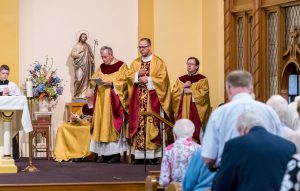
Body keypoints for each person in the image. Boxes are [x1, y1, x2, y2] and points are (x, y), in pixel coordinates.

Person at [201, 70, 282, 168]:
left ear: (228, 88)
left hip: (230, 173)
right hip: (264, 172)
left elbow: (208, 157)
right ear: (251, 88)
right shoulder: (269, 111)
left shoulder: (219, 114)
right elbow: (280, 145)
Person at [213, 111, 296, 191]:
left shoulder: (234, 145)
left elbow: (221, 185)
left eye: (239, 131)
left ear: (244, 128)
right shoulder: (289, 146)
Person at [128, 38, 172, 164]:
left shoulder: (158, 62)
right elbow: (128, 77)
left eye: (143, 47)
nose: (141, 50)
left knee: (152, 125)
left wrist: (149, 80)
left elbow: (163, 81)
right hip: (138, 100)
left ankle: (153, 156)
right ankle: (139, 156)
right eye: (139, 47)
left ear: (149, 46)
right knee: (138, 123)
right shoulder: (135, 63)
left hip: (152, 101)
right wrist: (136, 75)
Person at [90, 46, 129, 163]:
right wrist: (95, 82)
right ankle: (104, 154)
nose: (104, 59)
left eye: (105, 57)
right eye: (102, 57)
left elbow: (126, 82)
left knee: (111, 126)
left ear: (111, 55)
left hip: (113, 103)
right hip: (101, 102)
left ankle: (115, 155)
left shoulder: (122, 66)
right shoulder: (101, 67)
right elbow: (94, 79)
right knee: (102, 126)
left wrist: (112, 83)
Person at [172, 57, 211, 143]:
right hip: (182, 111)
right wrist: (183, 87)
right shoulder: (180, 80)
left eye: (192, 64)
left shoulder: (202, 79)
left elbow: (204, 95)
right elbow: (174, 93)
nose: (189, 66)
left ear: (197, 66)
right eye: (188, 64)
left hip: (195, 112)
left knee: (195, 130)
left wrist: (191, 91)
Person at [54, 89, 94, 162]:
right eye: (87, 97)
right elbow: (78, 115)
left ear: (94, 97)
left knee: (86, 130)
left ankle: (80, 154)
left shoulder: (97, 107)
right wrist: (74, 117)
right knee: (62, 126)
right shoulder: (84, 106)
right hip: (80, 124)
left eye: (89, 97)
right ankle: (65, 152)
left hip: (88, 126)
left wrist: (92, 118)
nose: (88, 99)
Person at [159, 119, 201, 187]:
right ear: (192, 132)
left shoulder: (169, 149)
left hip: (176, 187)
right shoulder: (200, 149)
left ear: (175, 133)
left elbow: (164, 181)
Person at [70, 32, 95, 99]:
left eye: (85, 37)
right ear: (80, 37)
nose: (84, 38)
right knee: (78, 78)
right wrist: (80, 51)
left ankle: (83, 95)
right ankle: (77, 94)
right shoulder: (77, 46)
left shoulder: (88, 46)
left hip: (86, 65)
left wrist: (92, 58)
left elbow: (91, 54)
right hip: (79, 65)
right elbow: (72, 54)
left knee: (86, 80)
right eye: (83, 37)